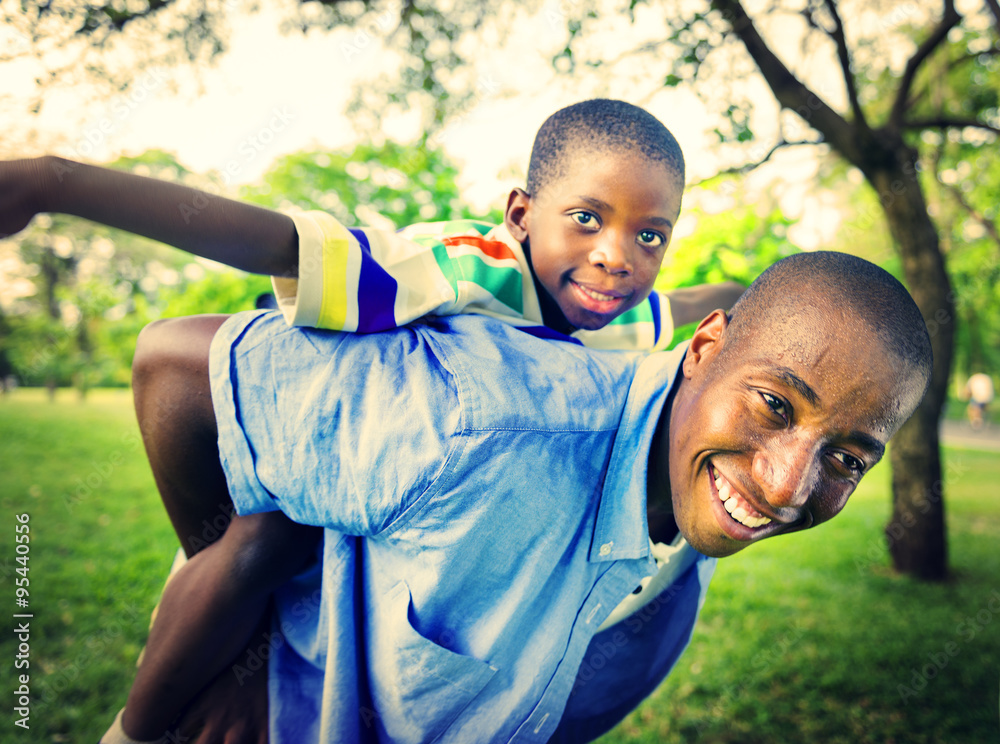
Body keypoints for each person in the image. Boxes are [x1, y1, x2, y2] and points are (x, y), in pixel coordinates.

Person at [0, 100, 744, 742]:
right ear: (520, 215)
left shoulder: (606, 309)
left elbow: (682, 308)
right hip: (299, 427)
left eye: (652, 235)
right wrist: (54, 182)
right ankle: (146, 721)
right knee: (260, 543)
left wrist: (762, 293)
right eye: (587, 218)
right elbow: (278, 242)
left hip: (388, 496)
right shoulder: (462, 266)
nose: (617, 256)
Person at [135, 250, 932, 743]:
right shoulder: (477, 423)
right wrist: (236, 621)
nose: (786, 484)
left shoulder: (695, 485)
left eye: (848, 457)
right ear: (706, 351)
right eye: (775, 407)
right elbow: (176, 362)